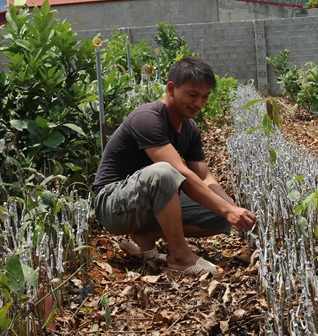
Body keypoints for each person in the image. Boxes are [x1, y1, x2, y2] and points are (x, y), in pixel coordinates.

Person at [92, 56, 257, 276]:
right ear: (171, 88)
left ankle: (147, 235)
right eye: (192, 95)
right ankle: (180, 257)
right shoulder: (147, 118)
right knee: (166, 172)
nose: (199, 103)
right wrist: (227, 209)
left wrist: (233, 209)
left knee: (219, 215)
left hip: (143, 202)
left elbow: (205, 177)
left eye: (205, 97)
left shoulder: (189, 128)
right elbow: (180, 173)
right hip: (112, 204)